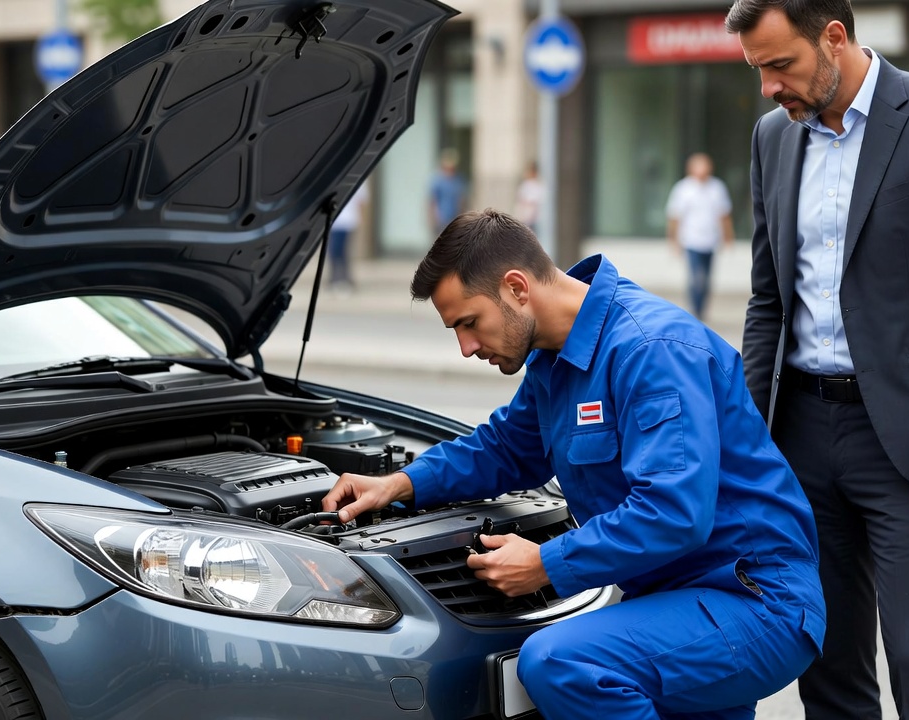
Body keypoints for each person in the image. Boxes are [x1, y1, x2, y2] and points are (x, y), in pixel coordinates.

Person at [323, 209, 825, 719]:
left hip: (754, 599)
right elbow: (505, 448)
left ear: (517, 287)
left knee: (562, 661)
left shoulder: (650, 350)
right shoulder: (554, 356)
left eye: (469, 323)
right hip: (677, 602)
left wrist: (545, 564)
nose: (466, 348)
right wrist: (399, 483)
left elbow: (674, 512)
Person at [727, 1, 909, 718]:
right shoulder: (773, 137)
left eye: (780, 64)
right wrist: (748, 438)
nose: (769, 87)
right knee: (827, 658)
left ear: (833, 37)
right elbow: (769, 301)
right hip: (799, 435)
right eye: (757, 70)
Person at [665, 152, 735, 321]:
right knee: (696, 277)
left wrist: (728, 236)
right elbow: (674, 217)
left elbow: (724, 215)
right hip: (691, 240)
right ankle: (695, 310)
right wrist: (673, 240)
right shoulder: (683, 189)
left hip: (710, 241)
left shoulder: (717, 188)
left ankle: (702, 309)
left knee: (707, 279)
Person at [328, 182, 369, 293]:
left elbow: (361, 201)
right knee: (335, 251)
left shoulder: (359, 181)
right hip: (335, 222)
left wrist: (361, 220)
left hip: (348, 221)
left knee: (341, 251)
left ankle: (342, 278)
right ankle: (336, 278)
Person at [428, 147, 466, 235]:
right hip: (441, 220)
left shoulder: (458, 180)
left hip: (455, 220)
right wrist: (432, 219)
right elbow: (433, 201)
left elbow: (462, 200)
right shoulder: (438, 181)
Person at [513, 160, 544, 232]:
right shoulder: (526, 185)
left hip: (532, 219)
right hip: (525, 218)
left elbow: (534, 202)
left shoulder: (537, 186)